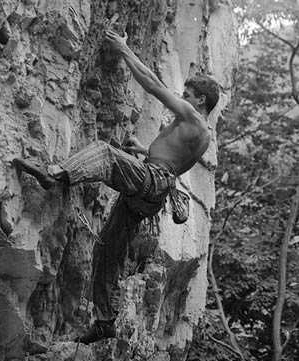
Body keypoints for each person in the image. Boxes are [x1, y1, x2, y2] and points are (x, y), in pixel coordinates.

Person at [13, 30, 220, 344]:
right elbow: (171, 162)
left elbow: (152, 82)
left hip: (152, 181)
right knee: (107, 251)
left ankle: (54, 174)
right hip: (153, 192)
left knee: (105, 153)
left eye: (187, 94)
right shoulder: (204, 138)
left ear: (200, 100)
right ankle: (105, 321)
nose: (183, 98)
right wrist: (142, 150)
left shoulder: (193, 115)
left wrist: (123, 49)